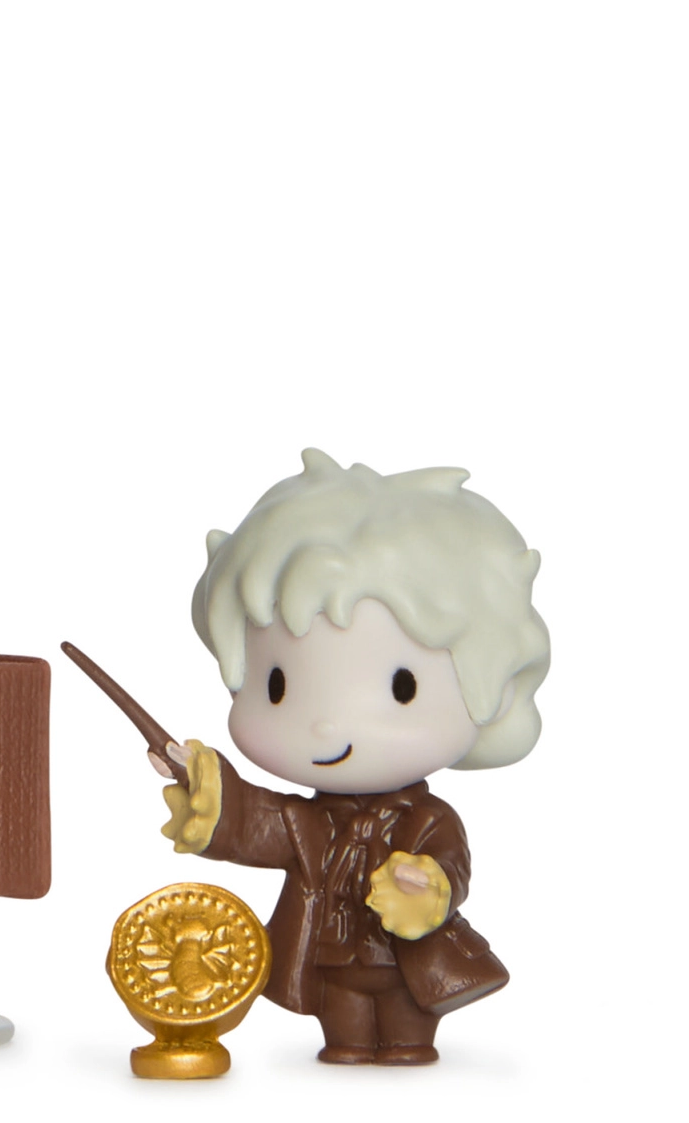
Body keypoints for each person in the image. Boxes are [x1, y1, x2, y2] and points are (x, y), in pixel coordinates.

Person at [158, 449, 549, 1065]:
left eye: (401, 687)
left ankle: (404, 1043)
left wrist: (431, 891)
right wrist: (209, 795)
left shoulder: (427, 820)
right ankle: (347, 1046)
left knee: (405, 1036)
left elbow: (451, 867)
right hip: (333, 959)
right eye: (277, 684)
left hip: (404, 962)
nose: (327, 726)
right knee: (344, 1037)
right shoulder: (314, 821)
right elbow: (262, 824)